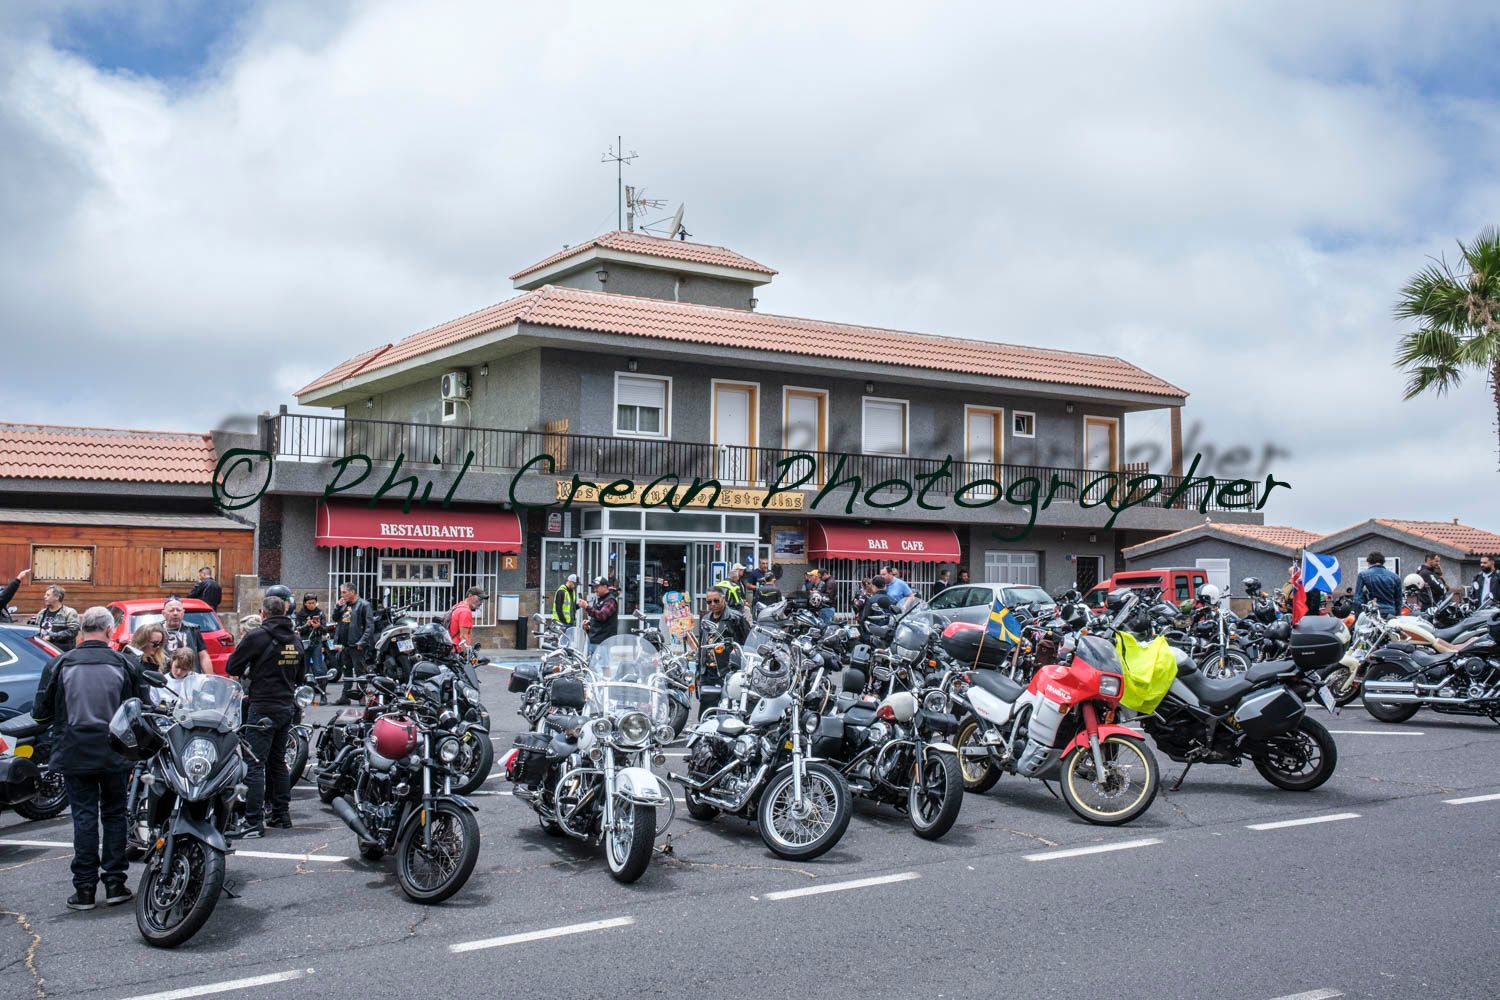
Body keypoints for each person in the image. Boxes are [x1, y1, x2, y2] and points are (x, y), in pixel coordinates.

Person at [31, 606, 140, 910]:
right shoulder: (124, 663)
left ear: (81, 631)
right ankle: (116, 884)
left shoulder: (60, 663)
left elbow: (40, 713)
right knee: (116, 814)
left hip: (74, 750)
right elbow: (139, 708)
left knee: (84, 816)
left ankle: (85, 889)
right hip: (115, 751)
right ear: (109, 631)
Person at [226, 594, 302, 837]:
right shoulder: (295, 639)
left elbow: (232, 667)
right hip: (286, 706)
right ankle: (281, 814)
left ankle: (253, 822)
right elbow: (301, 676)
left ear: (263, 613)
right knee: (277, 762)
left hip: (262, 706)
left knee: (255, 763)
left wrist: (253, 670)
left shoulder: (257, 636)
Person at [690, 588, 750, 716]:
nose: (712, 604)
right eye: (709, 602)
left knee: (727, 708)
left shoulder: (735, 618)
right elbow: (702, 645)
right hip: (707, 672)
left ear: (724, 599)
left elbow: (747, 644)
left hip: (726, 671)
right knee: (706, 711)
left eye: (716, 601)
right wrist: (699, 671)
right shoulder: (706, 618)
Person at [338, 582, 373, 706]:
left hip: (357, 644)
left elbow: (369, 626)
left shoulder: (364, 605)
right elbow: (337, 618)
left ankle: (361, 695)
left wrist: (362, 641)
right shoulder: (344, 605)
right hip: (345, 644)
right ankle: (345, 696)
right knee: (346, 671)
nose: (342, 595)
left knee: (360, 671)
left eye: (344, 592)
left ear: (352, 592)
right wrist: (338, 607)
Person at [160, 597, 210, 673]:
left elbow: (203, 656)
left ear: (183, 613)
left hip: (190, 677)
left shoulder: (193, 629)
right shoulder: (156, 630)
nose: (175, 613)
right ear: (163, 613)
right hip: (165, 678)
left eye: (178, 610)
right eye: (171, 610)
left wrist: (209, 677)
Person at [31, 586, 81, 652]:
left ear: (57, 597)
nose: (44, 597)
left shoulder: (69, 612)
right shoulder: (42, 613)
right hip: (43, 652)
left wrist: (52, 636)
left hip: (61, 654)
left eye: (48, 595)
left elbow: (73, 632)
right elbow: (36, 631)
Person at [1353, 551, 1401, 615]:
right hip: (1390, 613)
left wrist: (1358, 617)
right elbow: (1398, 601)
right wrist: (1397, 616)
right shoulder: (1395, 577)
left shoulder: (1363, 575)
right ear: (1382, 562)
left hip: (1372, 614)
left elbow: (1357, 600)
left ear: (1369, 562)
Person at [294, 593, 328, 675]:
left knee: (318, 669)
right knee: (304, 669)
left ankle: (319, 686)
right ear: (305, 603)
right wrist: (307, 625)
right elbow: (297, 630)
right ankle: (305, 686)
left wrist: (318, 626)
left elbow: (325, 631)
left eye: (313, 603)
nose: (312, 605)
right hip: (304, 644)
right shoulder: (300, 614)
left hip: (317, 643)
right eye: (309, 603)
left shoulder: (320, 613)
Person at [579, 576, 619, 644]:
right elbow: (599, 619)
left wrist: (586, 607)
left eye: (597, 587)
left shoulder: (610, 600)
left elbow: (602, 615)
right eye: (594, 587)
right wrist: (589, 624)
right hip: (594, 641)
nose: (595, 590)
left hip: (604, 643)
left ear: (605, 587)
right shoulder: (599, 599)